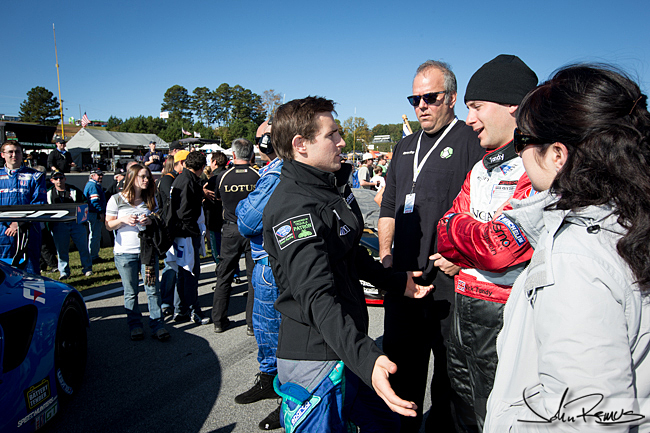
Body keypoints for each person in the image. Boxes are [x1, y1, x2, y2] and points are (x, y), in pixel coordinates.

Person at [483, 65, 650, 432]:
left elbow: (588, 420)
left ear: (558, 155)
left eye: (522, 141)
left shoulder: (576, 256)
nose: (518, 154)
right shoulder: (630, 221)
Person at [263, 96, 432, 432]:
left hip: (345, 346)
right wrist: (367, 359)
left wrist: (396, 281)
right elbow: (316, 296)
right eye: (332, 135)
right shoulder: (295, 208)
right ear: (301, 145)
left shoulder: (327, 188)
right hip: (316, 361)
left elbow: (349, 253)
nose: (342, 142)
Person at [433, 54, 537, 432]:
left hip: (506, 311)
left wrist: (465, 234)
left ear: (513, 105)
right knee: (462, 408)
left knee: (498, 415)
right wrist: (472, 235)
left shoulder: (537, 163)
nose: (469, 118)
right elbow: (443, 233)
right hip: (463, 304)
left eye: (477, 106)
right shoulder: (481, 167)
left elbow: (499, 250)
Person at [378, 60, 484, 432]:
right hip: (404, 279)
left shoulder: (471, 141)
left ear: (451, 98)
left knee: (450, 378)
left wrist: (465, 257)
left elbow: (489, 209)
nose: (421, 106)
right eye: (415, 99)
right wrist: (385, 255)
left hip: (448, 283)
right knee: (401, 371)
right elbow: (389, 206)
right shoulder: (404, 145)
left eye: (430, 97)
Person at [234, 120, 283, 430]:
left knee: (276, 331)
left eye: (262, 137)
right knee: (265, 327)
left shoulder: (277, 173)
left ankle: (285, 394)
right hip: (264, 260)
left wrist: (245, 204)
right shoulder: (272, 170)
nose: (259, 143)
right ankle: (268, 379)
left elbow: (246, 221)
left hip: (270, 262)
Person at [105, 164, 170, 341]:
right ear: (132, 178)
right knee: (131, 291)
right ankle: (135, 325)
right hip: (125, 253)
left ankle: (157, 325)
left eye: (147, 176)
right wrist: (123, 219)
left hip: (147, 252)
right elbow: (108, 225)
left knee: (152, 289)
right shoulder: (116, 199)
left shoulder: (150, 199)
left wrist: (150, 220)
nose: (146, 180)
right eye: (142, 176)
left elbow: (158, 218)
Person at [211, 138, 259, 334]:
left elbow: (218, 198)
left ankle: (218, 321)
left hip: (230, 229)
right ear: (252, 155)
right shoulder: (258, 175)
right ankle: (251, 324)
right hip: (252, 230)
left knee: (224, 276)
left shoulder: (223, 176)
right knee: (253, 278)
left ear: (233, 154)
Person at [168, 150, 210, 325]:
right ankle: (194, 311)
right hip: (186, 234)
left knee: (183, 273)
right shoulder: (187, 182)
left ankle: (181, 309)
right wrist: (194, 232)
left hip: (181, 233)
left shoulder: (183, 179)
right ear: (201, 167)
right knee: (191, 273)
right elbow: (184, 212)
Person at [0, 141, 46, 275]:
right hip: (3, 230)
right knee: (4, 272)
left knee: (30, 270)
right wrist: (8, 223)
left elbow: (39, 202)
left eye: (18, 152)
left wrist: (17, 223)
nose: (14, 155)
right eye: (10, 152)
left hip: (28, 229)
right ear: (2, 154)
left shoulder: (36, 176)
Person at [47, 171, 94, 279]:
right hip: (59, 224)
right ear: (52, 180)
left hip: (75, 223)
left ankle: (87, 268)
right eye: (56, 178)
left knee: (83, 247)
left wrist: (82, 220)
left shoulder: (73, 190)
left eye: (61, 177)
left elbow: (84, 203)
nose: (59, 180)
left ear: (65, 179)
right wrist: (50, 225)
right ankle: (64, 272)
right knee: (61, 249)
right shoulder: (49, 193)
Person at [158, 150, 188, 317]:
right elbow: (171, 203)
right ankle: (166, 301)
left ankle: (177, 302)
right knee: (170, 266)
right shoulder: (168, 180)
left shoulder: (177, 178)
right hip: (169, 227)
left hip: (178, 228)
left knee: (178, 266)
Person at [202, 151, 228, 269]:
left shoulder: (213, 180)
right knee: (229, 248)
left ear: (215, 162)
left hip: (214, 218)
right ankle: (235, 272)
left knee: (217, 248)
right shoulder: (229, 176)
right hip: (229, 217)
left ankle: (220, 269)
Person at [84, 168, 106, 263]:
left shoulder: (93, 185)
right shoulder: (93, 186)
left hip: (93, 212)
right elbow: (95, 201)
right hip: (94, 213)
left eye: (101, 175)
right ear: (92, 176)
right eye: (98, 175)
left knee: (94, 234)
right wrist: (100, 212)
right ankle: (93, 256)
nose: (101, 177)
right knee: (95, 235)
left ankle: (93, 255)